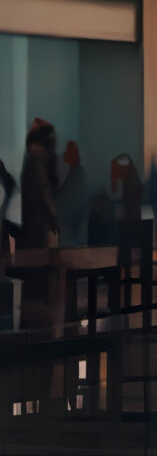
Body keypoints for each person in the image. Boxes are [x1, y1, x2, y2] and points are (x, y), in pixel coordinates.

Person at [19, 118, 60, 331]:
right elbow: (45, 192)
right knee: (39, 269)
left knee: (35, 269)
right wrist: (53, 219)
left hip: (32, 221)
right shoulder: (38, 160)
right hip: (38, 222)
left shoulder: (32, 160)